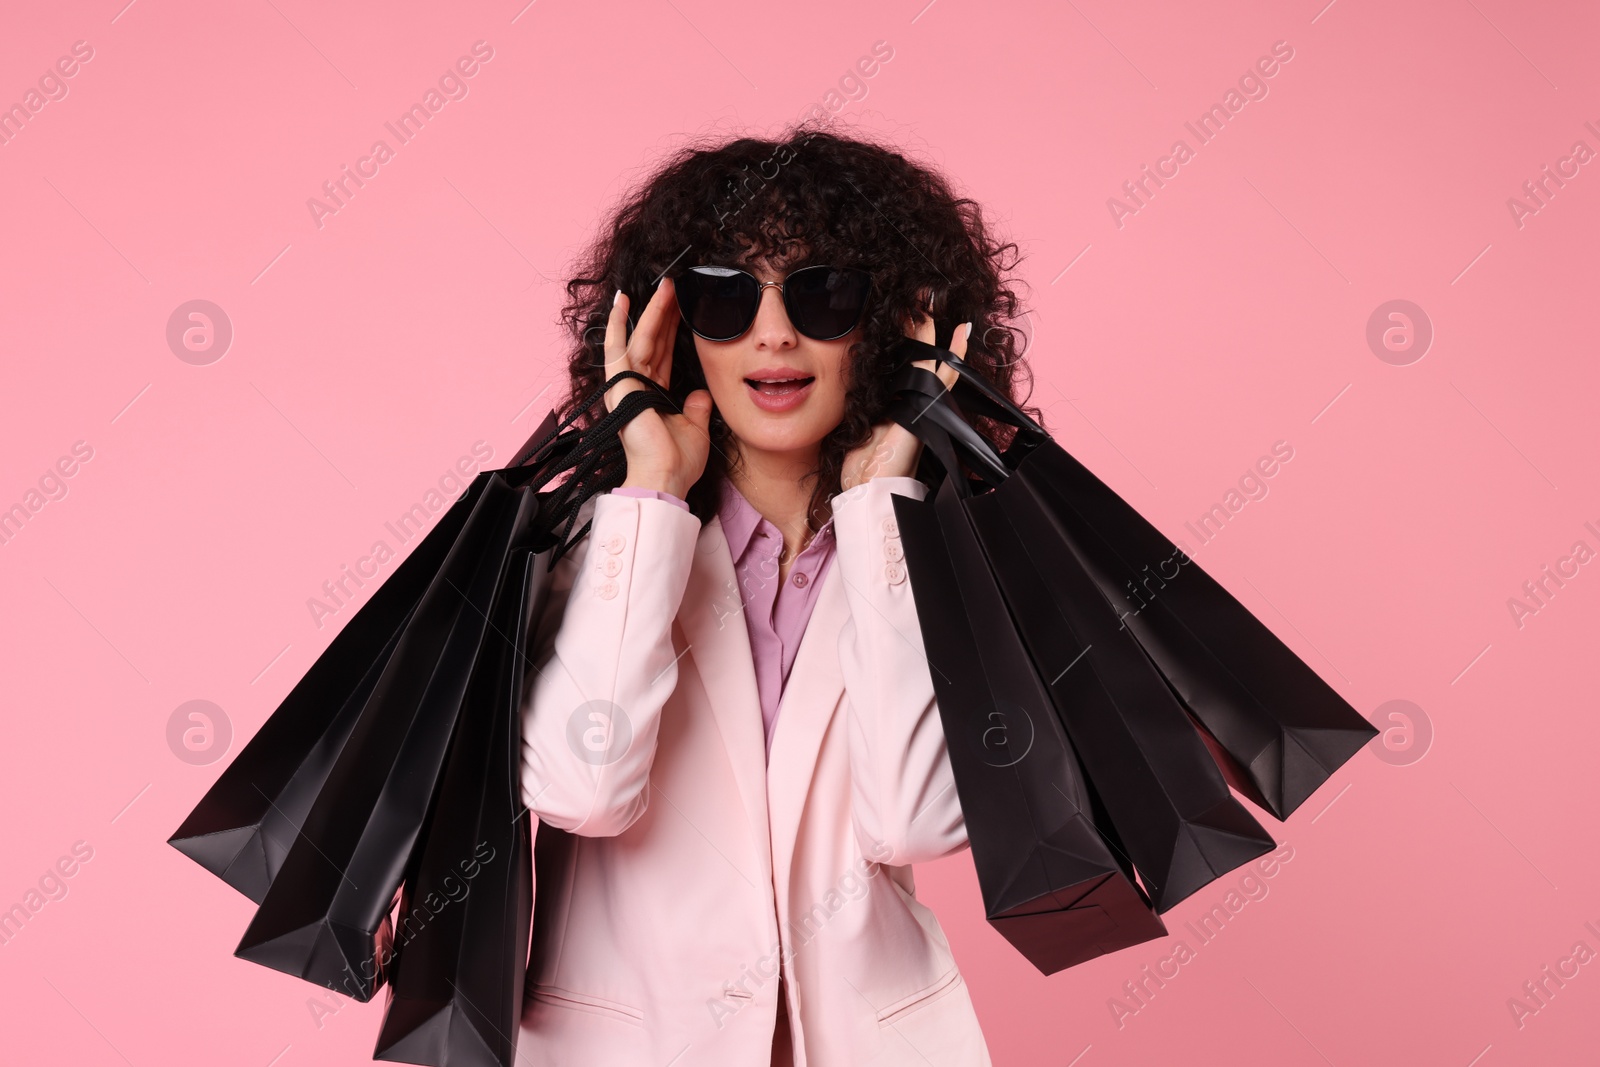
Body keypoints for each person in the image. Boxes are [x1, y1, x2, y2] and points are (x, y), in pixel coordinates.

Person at [516, 125, 1036, 1066]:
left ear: (886, 328)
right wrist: (650, 497)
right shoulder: (591, 549)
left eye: (822, 292)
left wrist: (884, 505)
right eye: (723, 296)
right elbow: (583, 792)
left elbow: (914, 819)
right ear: (671, 332)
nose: (773, 332)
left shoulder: (933, 558)